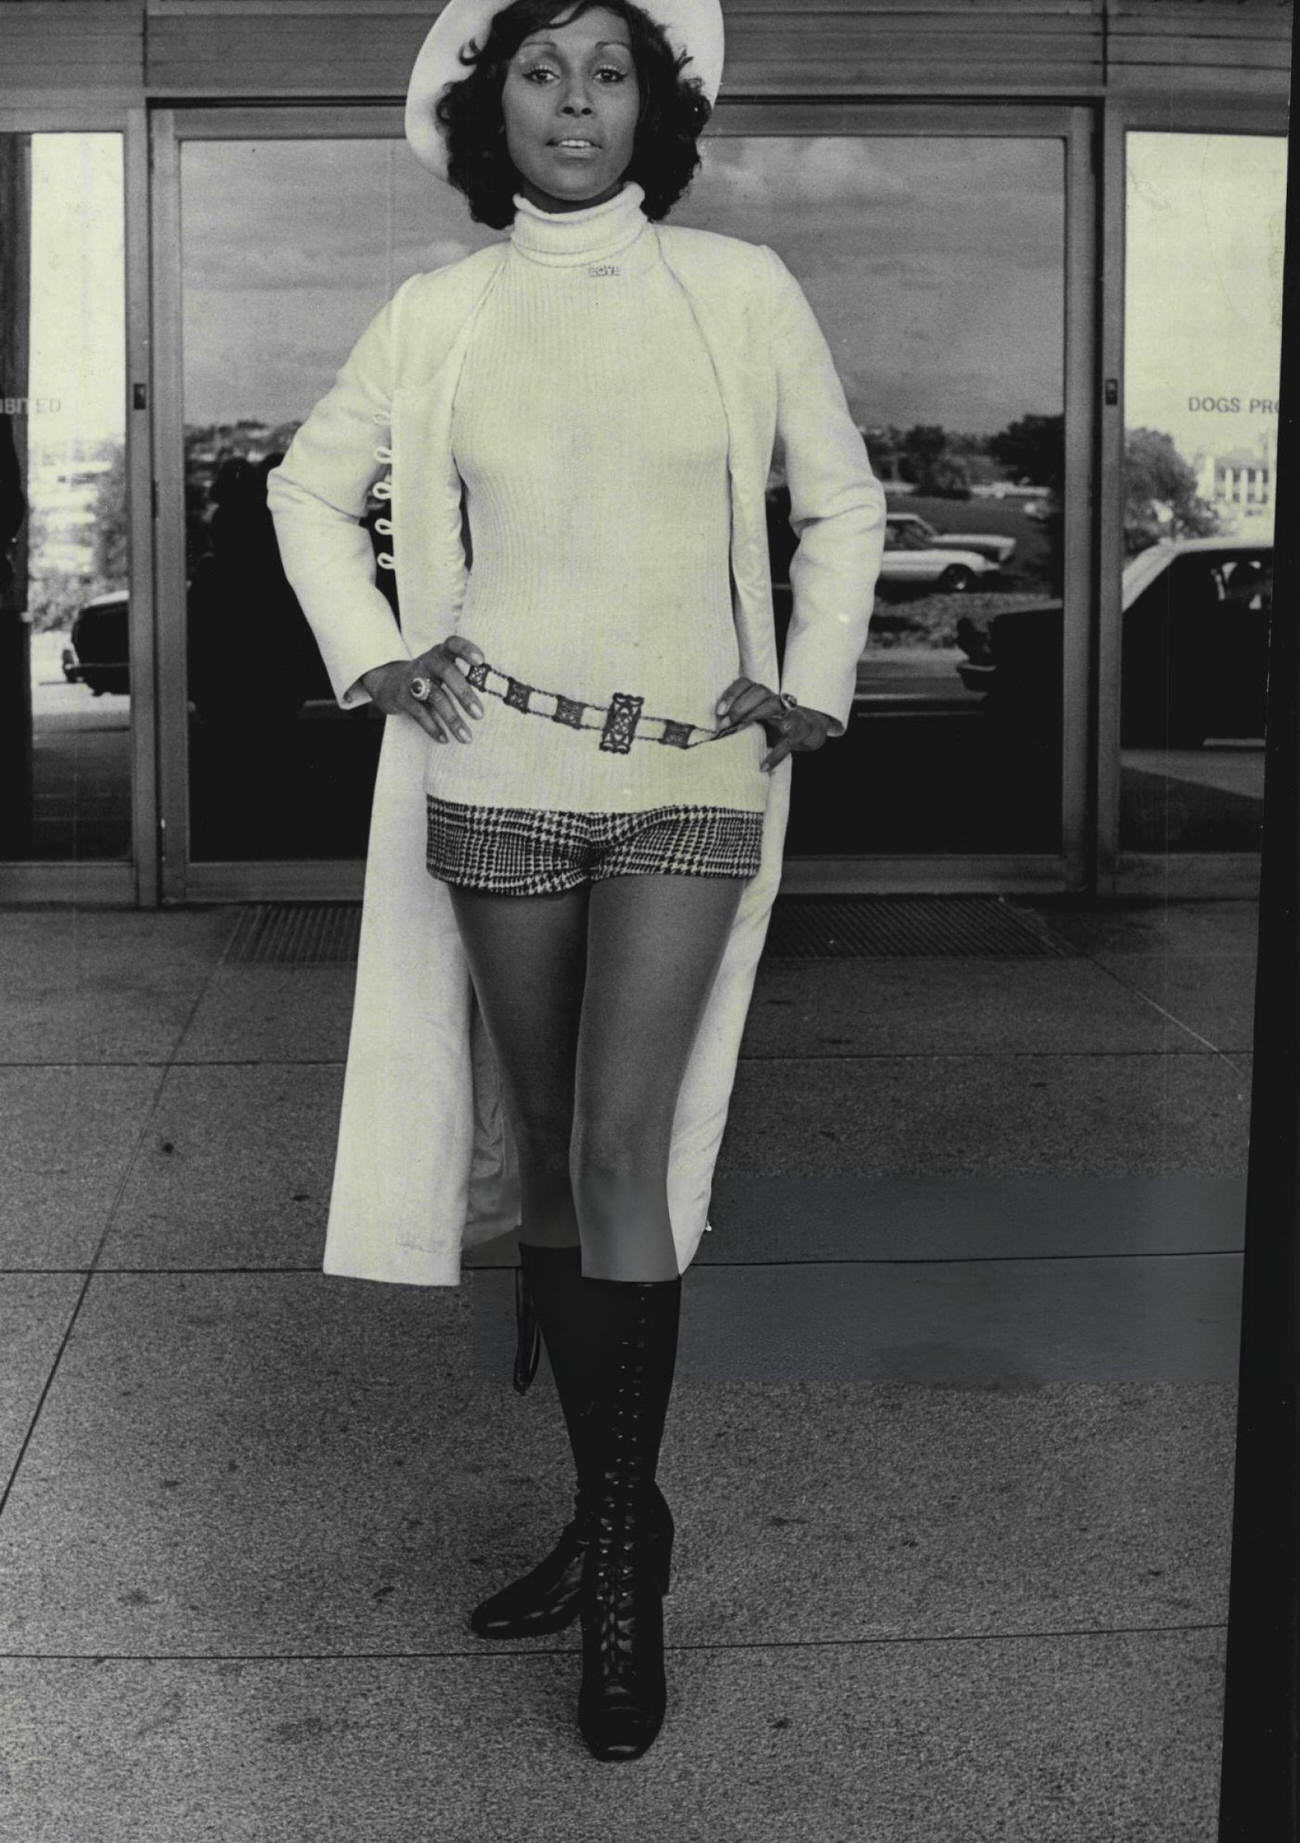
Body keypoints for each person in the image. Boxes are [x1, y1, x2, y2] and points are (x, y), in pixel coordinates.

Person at [267, 0, 885, 1764]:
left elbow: (835, 504)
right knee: (540, 1158)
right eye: (541, 69)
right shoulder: (438, 315)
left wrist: (816, 679)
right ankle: (622, 1511)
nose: (576, 101)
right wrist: (379, 654)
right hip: (501, 784)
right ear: (487, 105)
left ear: (655, 107)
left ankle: (620, 1570)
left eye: (611, 71)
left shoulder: (741, 292)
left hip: (694, 777)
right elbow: (313, 494)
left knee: (624, 1149)